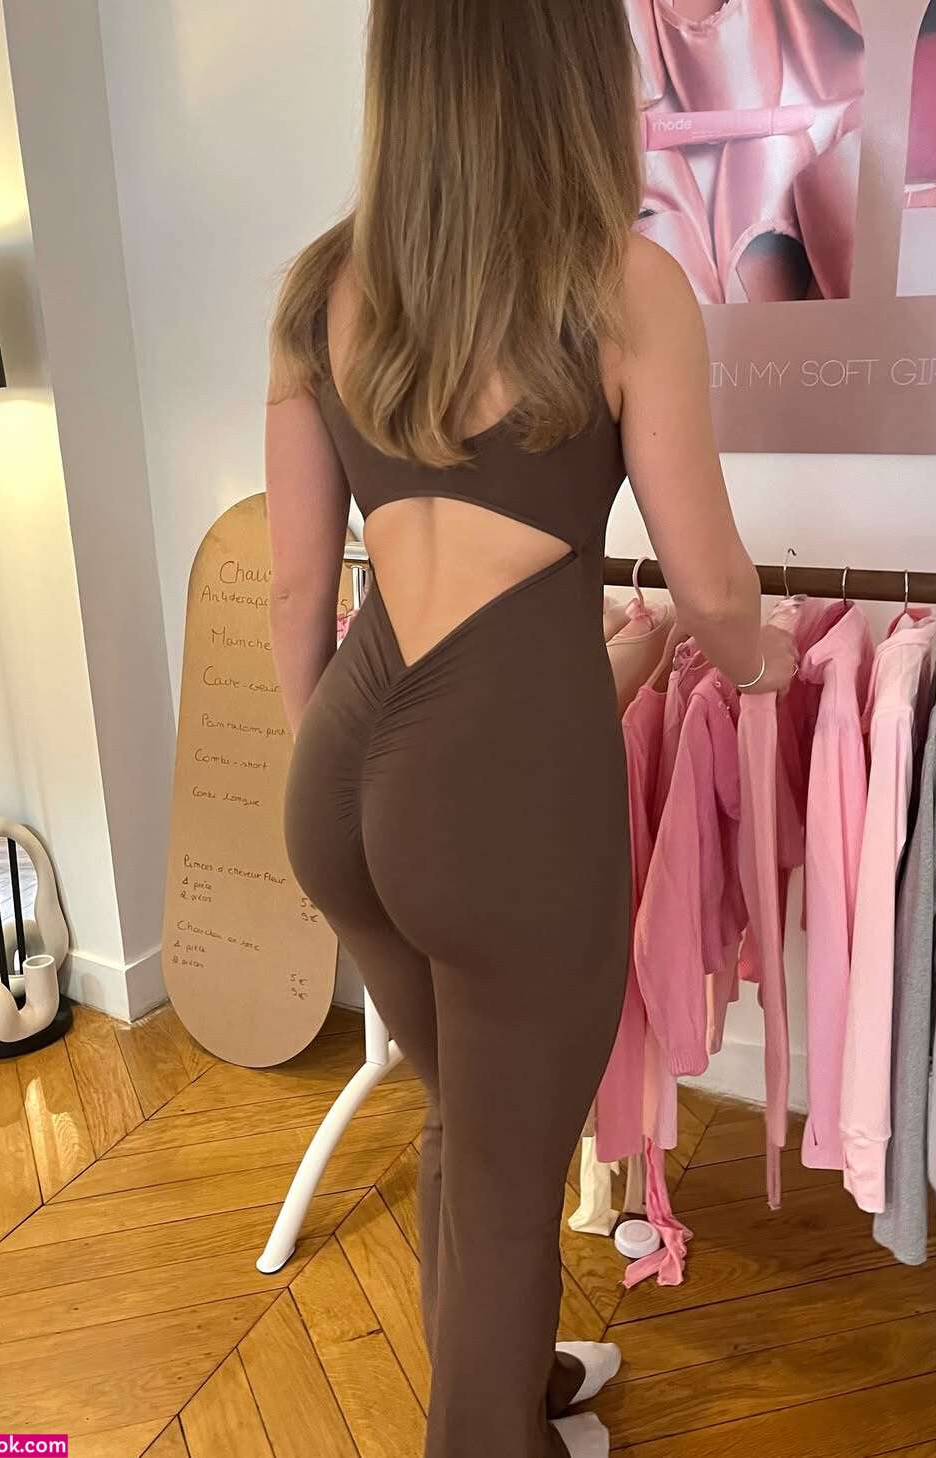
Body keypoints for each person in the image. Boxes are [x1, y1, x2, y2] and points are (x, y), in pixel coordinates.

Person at [264, 5, 794, 1456]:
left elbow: (302, 592)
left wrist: (357, 798)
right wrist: (763, 664)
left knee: (467, 1124)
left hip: (340, 775)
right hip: (488, 812)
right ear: (567, 75)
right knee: (508, 1179)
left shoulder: (321, 287)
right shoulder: (623, 284)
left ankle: (511, 1385)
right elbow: (714, 588)